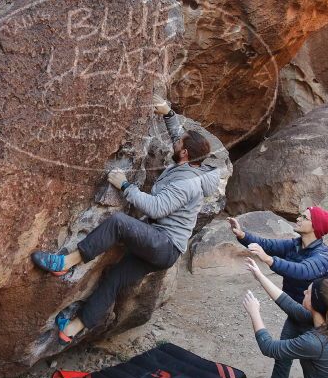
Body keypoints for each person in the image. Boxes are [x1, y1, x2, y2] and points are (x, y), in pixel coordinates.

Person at [32, 99, 219, 345]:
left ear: (184, 153)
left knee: (118, 222)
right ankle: (71, 330)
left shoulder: (188, 183)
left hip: (164, 244)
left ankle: (64, 263)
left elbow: (157, 207)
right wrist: (168, 113)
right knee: (114, 278)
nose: (176, 141)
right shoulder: (190, 164)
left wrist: (124, 185)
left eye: (180, 143)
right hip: (163, 246)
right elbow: (178, 137)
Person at [228, 206, 328, 378]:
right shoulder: (296, 245)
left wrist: (268, 260)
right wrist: (243, 235)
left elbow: (302, 271)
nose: (298, 217)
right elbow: (268, 244)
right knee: (282, 355)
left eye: (304, 217)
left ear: (315, 227)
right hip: (296, 312)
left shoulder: (324, 257)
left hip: (318, 321)